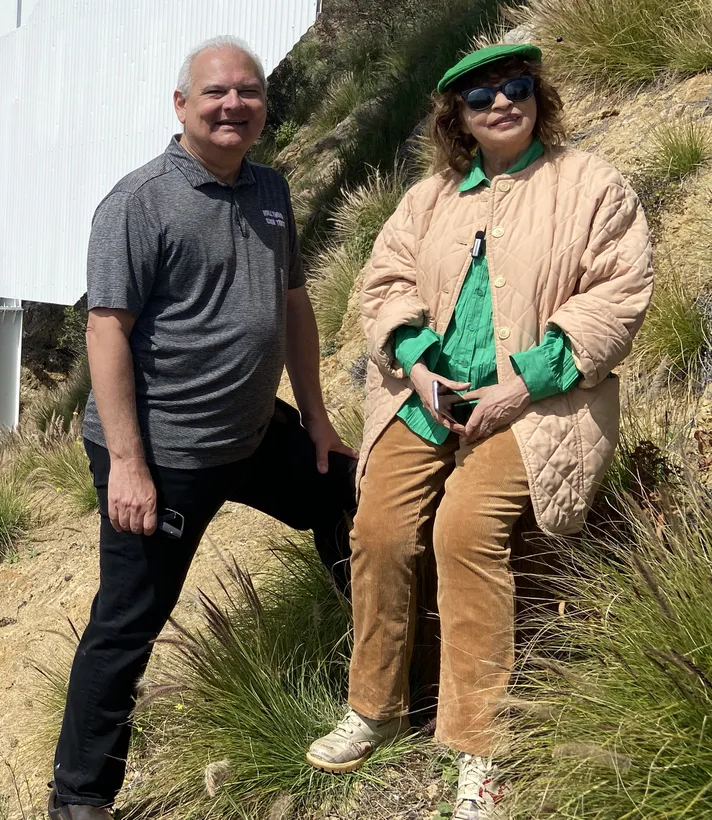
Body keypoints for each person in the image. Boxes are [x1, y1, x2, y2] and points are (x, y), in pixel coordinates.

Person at [304, 43, 653, 820]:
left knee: (465, 531)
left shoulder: (591, 185)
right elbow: (384, 282)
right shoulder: (428, 198)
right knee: (380, 527)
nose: (502, 103)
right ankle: (376, 706)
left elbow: (618, 295)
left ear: (539, 97)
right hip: (426, 396)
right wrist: (417, 362)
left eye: (517, 87)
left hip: (539, 400)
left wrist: (523, 380)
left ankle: (482, 749)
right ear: (455, 118)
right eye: (481, 96)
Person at [47, 36, 358, 819]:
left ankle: (380, 670)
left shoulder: (271, 190)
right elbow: (106, 331)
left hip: (252, 436)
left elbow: (292, 306)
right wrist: (128, 463)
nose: (233, 106)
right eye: (216, 93)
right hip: (164, 455)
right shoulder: (137, 202)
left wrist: (317, 420)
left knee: (347, 497)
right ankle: (78, 801)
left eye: (248, 92)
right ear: (180, 106)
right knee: (126, 625)